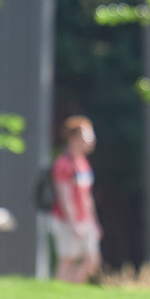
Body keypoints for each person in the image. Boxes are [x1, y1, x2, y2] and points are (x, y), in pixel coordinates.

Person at [51, 115, 103, 282]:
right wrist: (73, 223)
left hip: (84, 219)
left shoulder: (83, 164)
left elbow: (87, 197)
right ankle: (61, 292)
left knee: (92, 260)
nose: (91, 140)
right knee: (67, 259)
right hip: (65, 220)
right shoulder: (63, 164)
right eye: (87, 136)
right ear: (73, 138)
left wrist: (93, 222)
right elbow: (65, 197)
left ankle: (73, 289)